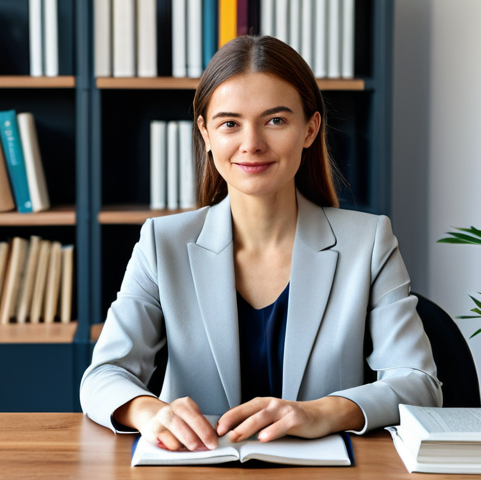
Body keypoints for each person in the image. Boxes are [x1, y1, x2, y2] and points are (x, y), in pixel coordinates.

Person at [80, 35, 442, 453]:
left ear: (310, 129)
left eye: (275, 120)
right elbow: (104, 375)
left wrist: (321, 412)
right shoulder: (163, 244)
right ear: (206, 133)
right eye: (229, 123)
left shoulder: (369, 242)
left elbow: (419, 383)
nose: (251, 143)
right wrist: (148, 411)